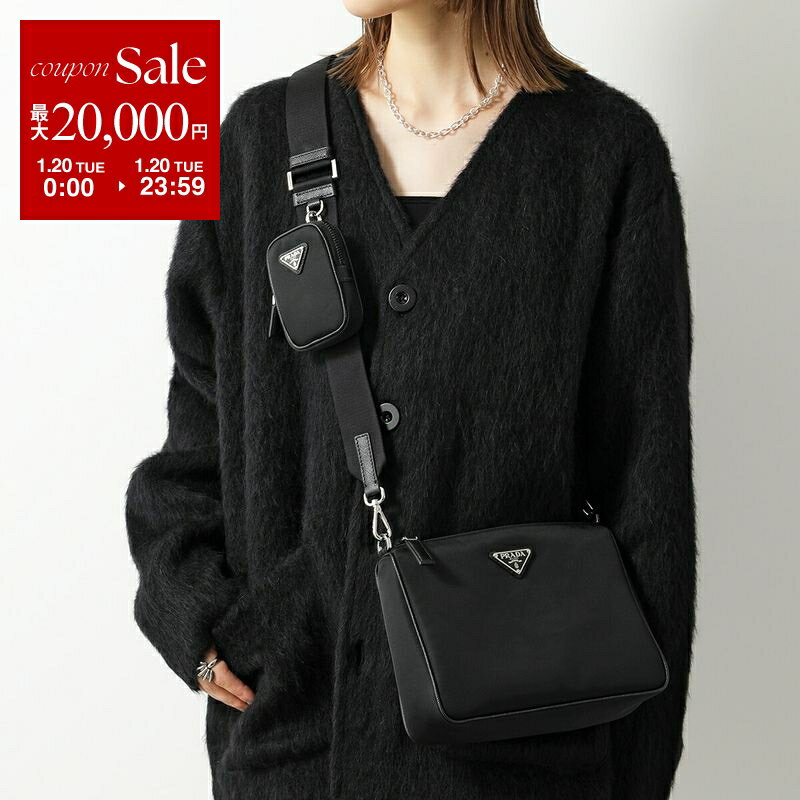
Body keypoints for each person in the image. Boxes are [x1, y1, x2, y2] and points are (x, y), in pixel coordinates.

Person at [126, 1, 696, 798]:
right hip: (297, 751)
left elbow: (648, 498)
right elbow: (196, 439)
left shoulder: (604, 155)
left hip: (520, 769)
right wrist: (196, 610)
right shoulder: (260, 141)